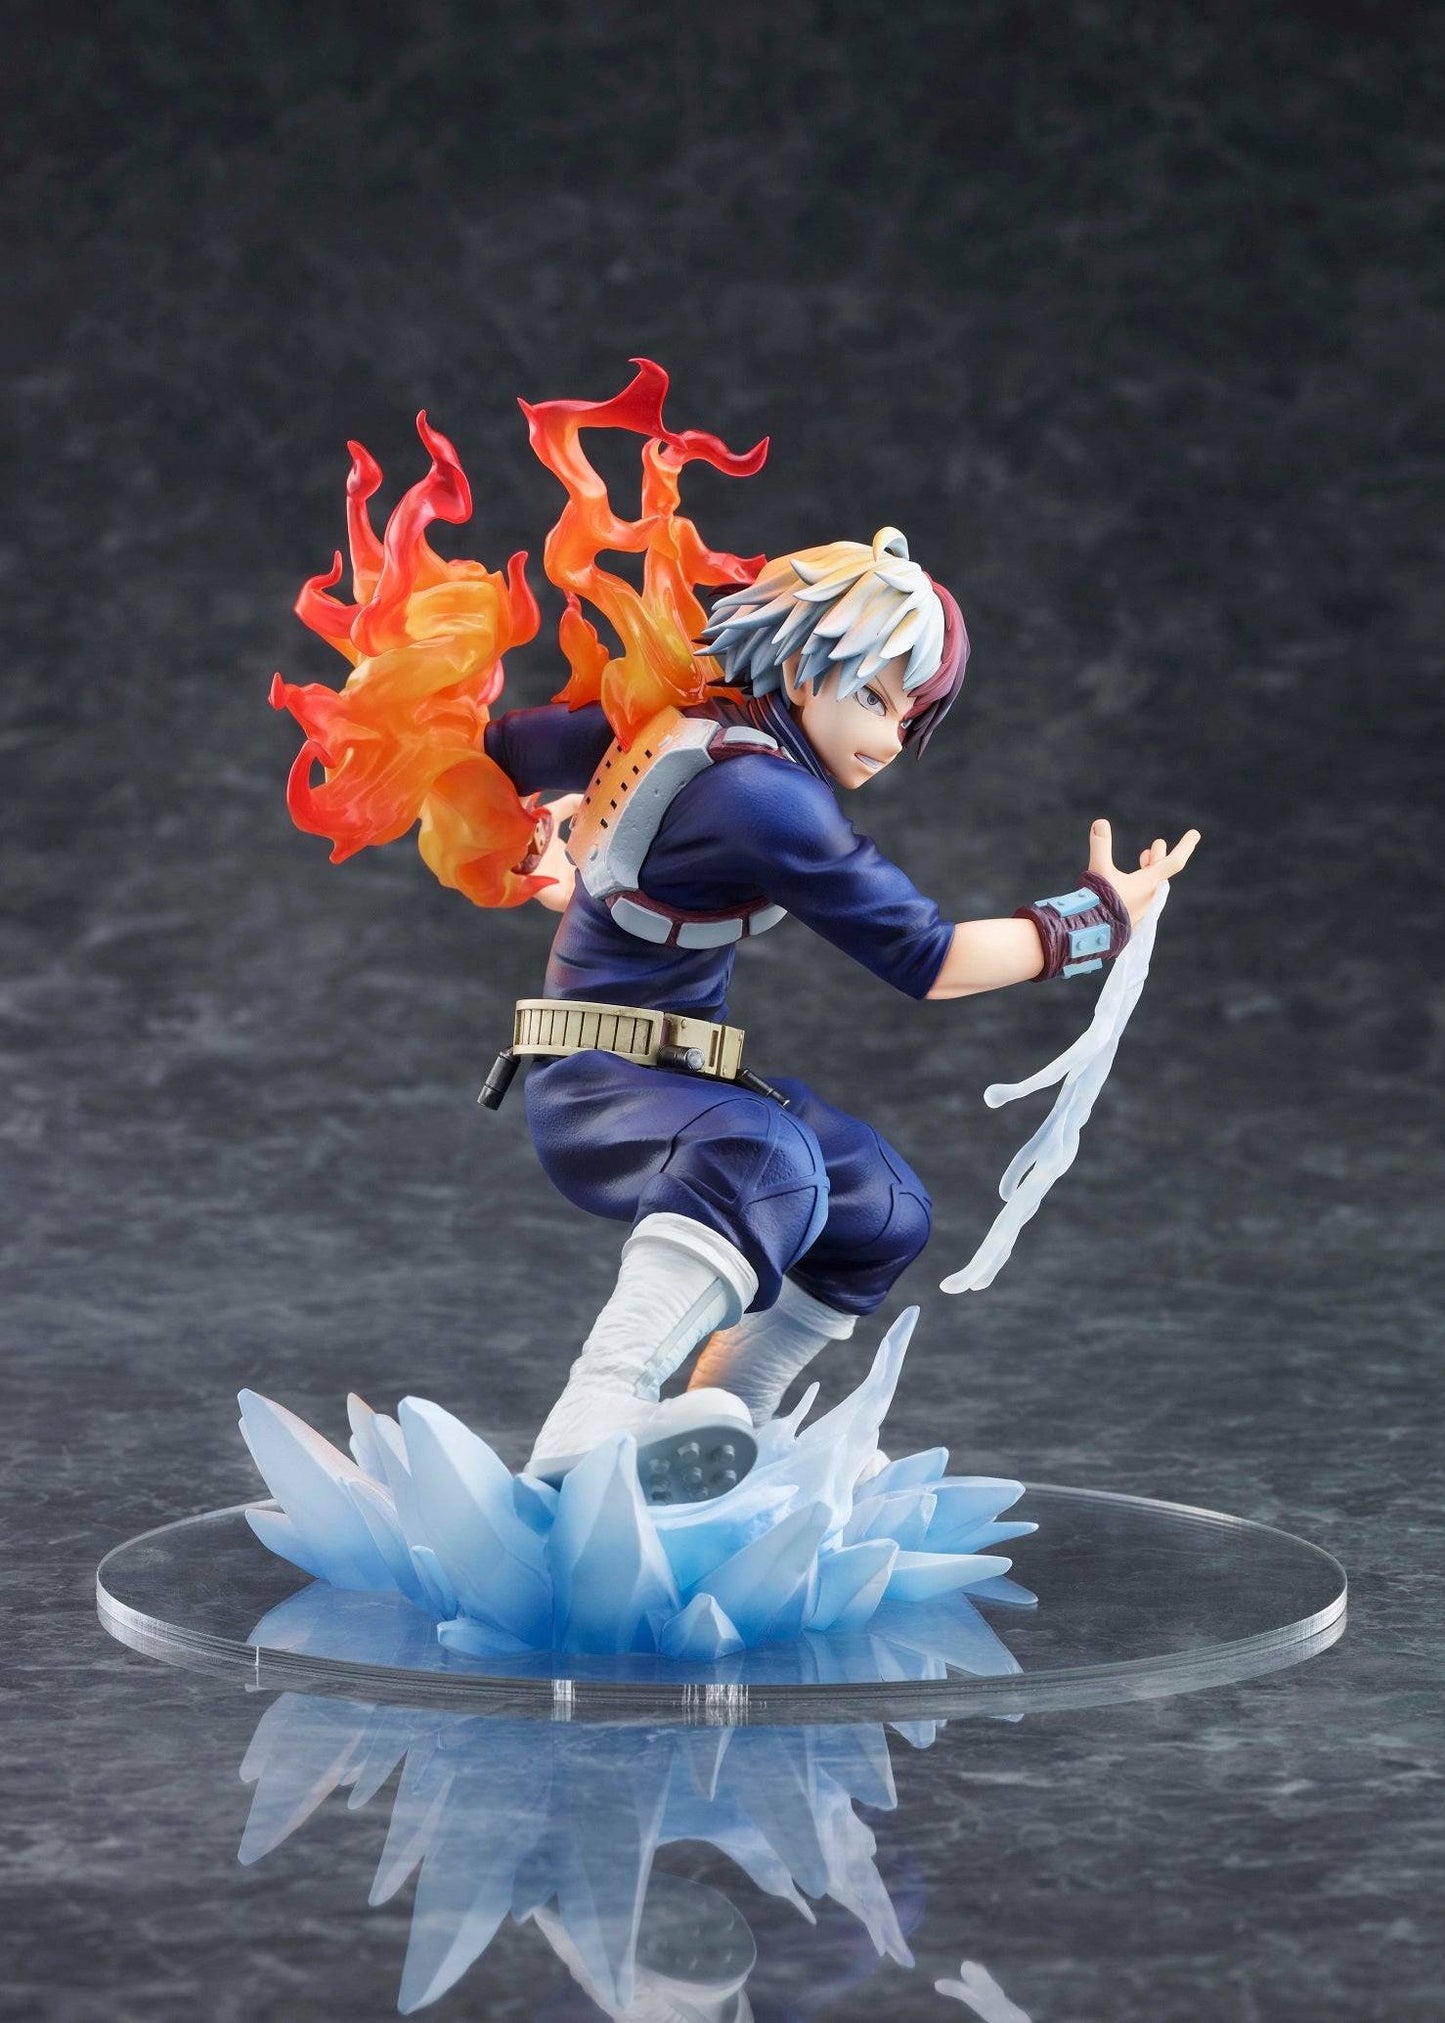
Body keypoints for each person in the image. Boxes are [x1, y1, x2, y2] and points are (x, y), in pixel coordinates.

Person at [478, 526, 1199, 1498]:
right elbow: (927, 959)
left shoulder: (680, 720)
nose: (890, 740)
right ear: (798, 668)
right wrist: (1095, 918)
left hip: (681, 1075)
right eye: (871, 697)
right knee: (763, 1158)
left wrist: (529, 840)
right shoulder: (760, 796)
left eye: (908, 714)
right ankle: (593, 1418)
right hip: (597, 1086)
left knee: (877, 1203)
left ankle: (738, 1413)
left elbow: (506, 750)